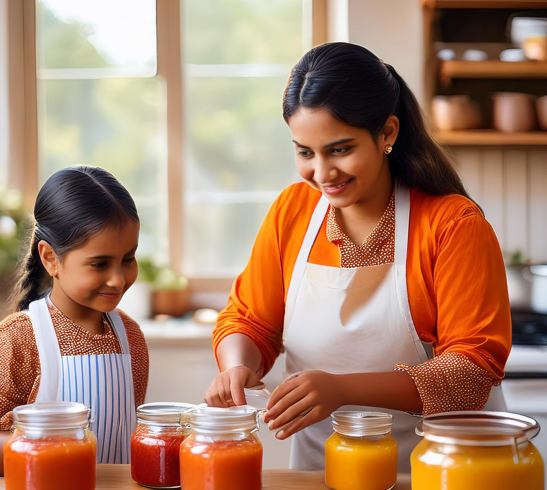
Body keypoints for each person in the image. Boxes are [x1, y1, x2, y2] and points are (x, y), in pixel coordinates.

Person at [206, 42, 511, 471]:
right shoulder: (291, 212)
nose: (323, 173)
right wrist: (237, 366)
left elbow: (471, 374)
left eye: (340, 149)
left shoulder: (452, 224)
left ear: (387, 133)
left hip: (438, 470)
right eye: (305, 152)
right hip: (319, 473)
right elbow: (250, 321)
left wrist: (343, 390)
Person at [0, 166, 149, 475]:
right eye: (100, 264)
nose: (118, 279)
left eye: (128, 259)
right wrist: (47, 447)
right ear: (50, 258)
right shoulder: (17, 339)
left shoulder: (130, 337)